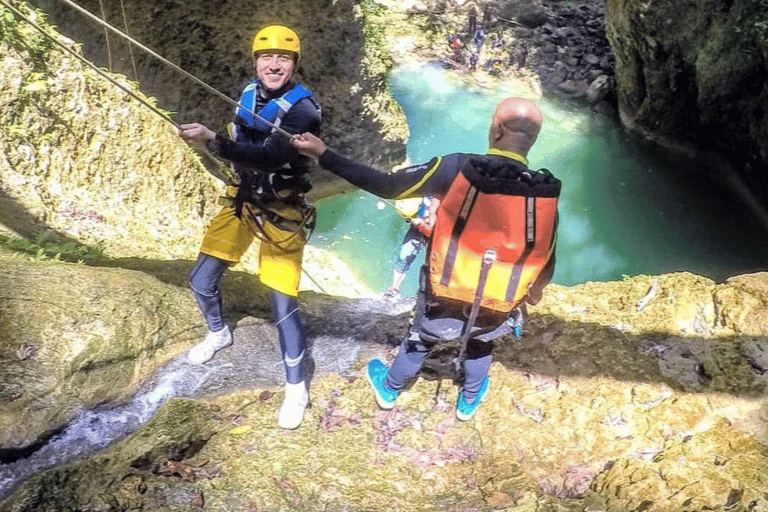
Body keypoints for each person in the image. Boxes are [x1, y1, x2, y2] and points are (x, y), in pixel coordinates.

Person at [292, 97, 559, 421]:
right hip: (498, 302)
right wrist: (534, 292)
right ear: (533, 139)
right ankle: (468, 401)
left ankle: (390, 389)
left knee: (420, 339)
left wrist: (323, 154)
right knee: (481, 345)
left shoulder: (458, 167)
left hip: (445, 292)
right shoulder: (542, 197)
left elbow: (387, 185)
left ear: (497, 128)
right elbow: (545, 258)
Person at [178, 25, 321, 430]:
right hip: (242, 198)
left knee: (282, 306)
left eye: (284, 59)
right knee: (201, 279)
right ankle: (218, 333)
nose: (274, 65)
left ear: (294, 64)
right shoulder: (246, 92)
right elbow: (245, 143)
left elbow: (272, 159)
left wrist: (213, 143)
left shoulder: (303, 110)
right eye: (266, 57)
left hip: (282, 210)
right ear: (256, 61)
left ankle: (296, 388)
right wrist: (216, 143)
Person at [384, 196, 435, 298]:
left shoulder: (441, 197)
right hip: (418, 227)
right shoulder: (426, 191)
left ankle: (430, 294)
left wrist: (423, 224)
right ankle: (394, 288)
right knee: (404, 256)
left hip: (431, 231)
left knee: (433, 263)